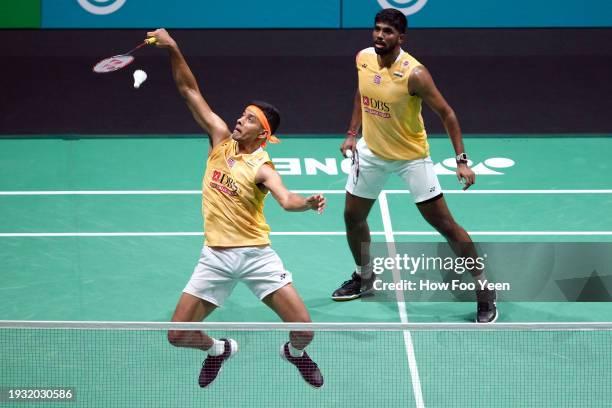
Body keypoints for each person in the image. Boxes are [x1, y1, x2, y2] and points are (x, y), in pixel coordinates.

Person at [147, 28, 326, 388]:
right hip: (214, 256)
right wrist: (173, 49)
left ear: (262, 134)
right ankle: (219, 349)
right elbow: (189, 91)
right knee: (178, 335)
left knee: (304, 330)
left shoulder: (262, 166)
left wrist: (305, 203)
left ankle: (293, 353)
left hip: (256, 256)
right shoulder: (219, 140)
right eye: (241, 115)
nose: (238, 120)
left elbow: (285, 199)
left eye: (248, 119)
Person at [330, 9, 497, 323]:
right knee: (353, 217)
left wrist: (462, 161)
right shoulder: (363, 58)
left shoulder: (415, 74)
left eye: (388, 32)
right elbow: (362, 94)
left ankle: (484, 288)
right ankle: (365, 276)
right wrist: (353, 134)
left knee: (445, 224)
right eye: (377, 29)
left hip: (411, 157)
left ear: (400, 38)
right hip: (371, 153)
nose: (380, 36)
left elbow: (447, 114)